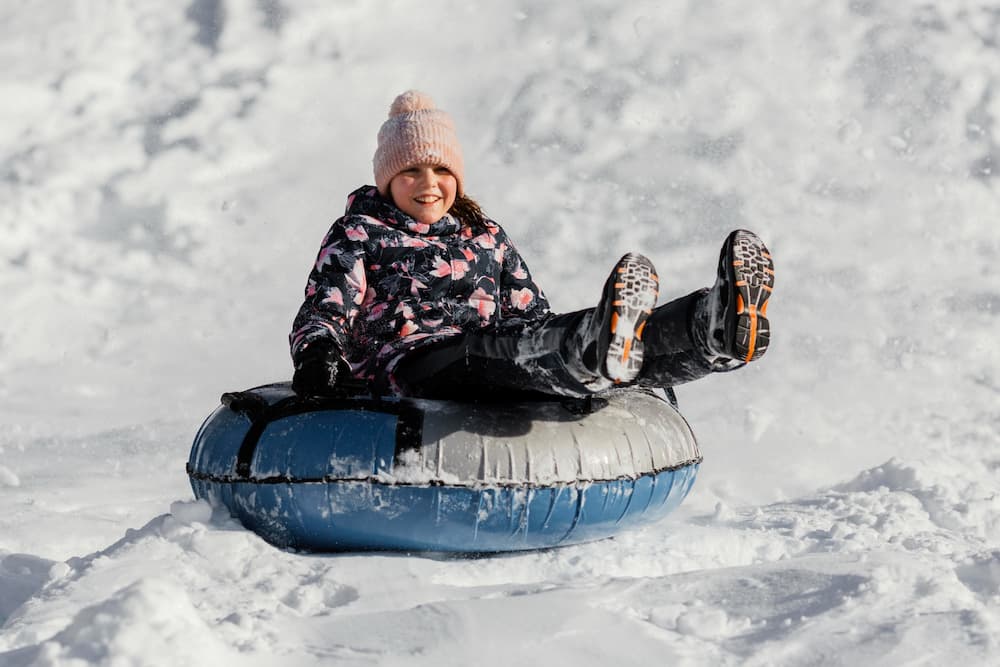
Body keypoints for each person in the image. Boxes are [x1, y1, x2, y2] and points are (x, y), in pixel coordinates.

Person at [290, 90, 774, 401]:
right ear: (387, 180)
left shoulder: (486, 236)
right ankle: (592, 351)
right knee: (495, 353)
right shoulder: (360, 232)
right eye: (410, 171)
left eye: (441, 170)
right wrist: (318, 355)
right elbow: (326, 307)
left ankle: (707, 331)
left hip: (493, 354)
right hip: (411, 363)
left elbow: (529, 313)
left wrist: (554, 332)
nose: (428, 183)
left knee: (544, 338)